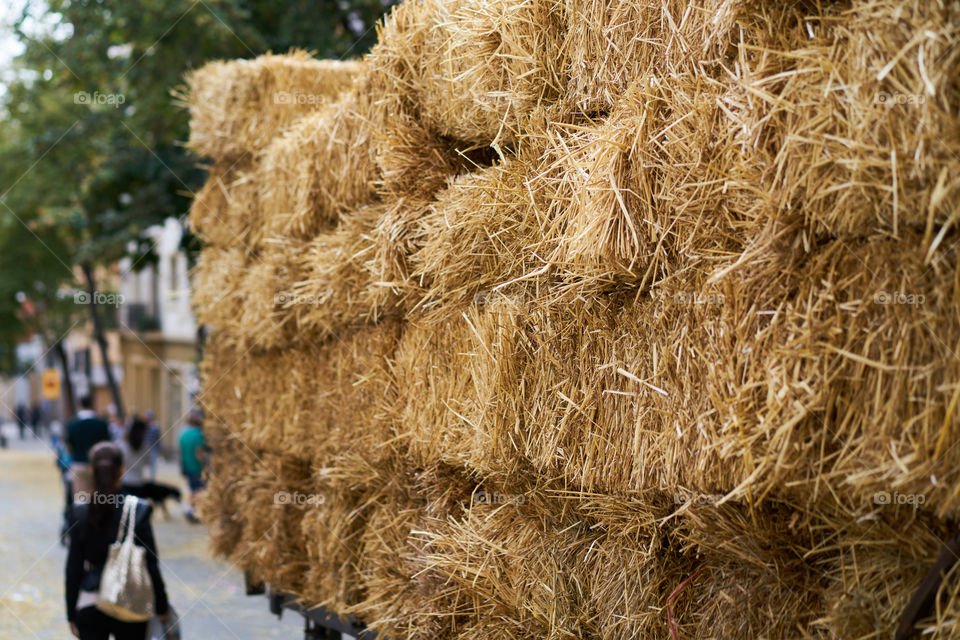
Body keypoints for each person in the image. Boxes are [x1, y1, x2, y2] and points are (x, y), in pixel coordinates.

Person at [65, 441, 169, 639]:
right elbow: (151, 564)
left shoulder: (79, 512)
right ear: (122, 470)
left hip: (90, 602)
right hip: (131, 601)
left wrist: (71, 613)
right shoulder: (139, 509)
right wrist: (161, 606)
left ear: (91, 471)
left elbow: (73, 568)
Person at [119, 416, 181, 514]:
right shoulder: (144, 446)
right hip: (138, 481)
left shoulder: (123, 445)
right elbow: (147, 463)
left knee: (126, 510)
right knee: (136, 510)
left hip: (125, 481)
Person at [66, 396, 111, 498]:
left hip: (79, 464)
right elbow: (107, 444)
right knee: (98, 497)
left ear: (80, 406)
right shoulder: (101, 424)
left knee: (80, 498)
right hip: (97, 464)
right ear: (92, 405)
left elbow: (70, 445)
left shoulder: (72, 425)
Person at [178, 409, 207, 524]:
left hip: (187, 466)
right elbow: (199, 452)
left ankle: (191, 510)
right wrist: (205, 466)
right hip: (197, 468)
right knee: (198, 491)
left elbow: (181, 452)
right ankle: (193, 512)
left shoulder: (184, 435)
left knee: (192, 490)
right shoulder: (199, 435)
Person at [143, 410, 162, 482]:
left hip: (153, 448)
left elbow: (158, 438)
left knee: (153, 464)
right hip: (144, 449)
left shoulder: (155, 427)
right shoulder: (144, 426)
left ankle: (152, 479)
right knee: (143, 464)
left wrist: (159, 449)